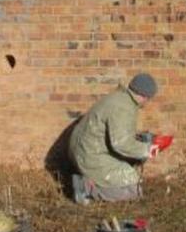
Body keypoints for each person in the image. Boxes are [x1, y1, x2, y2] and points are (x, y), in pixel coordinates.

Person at [68, 73, 162, 204]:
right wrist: (150, 149)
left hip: (82, 149)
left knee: (127, 167)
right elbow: (121, 144)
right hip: (90, 155)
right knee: (133, 186)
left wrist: (139, 140)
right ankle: (86, 189)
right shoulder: (123, 107)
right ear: (145, 96)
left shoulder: (119, 98)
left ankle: (90, 180)